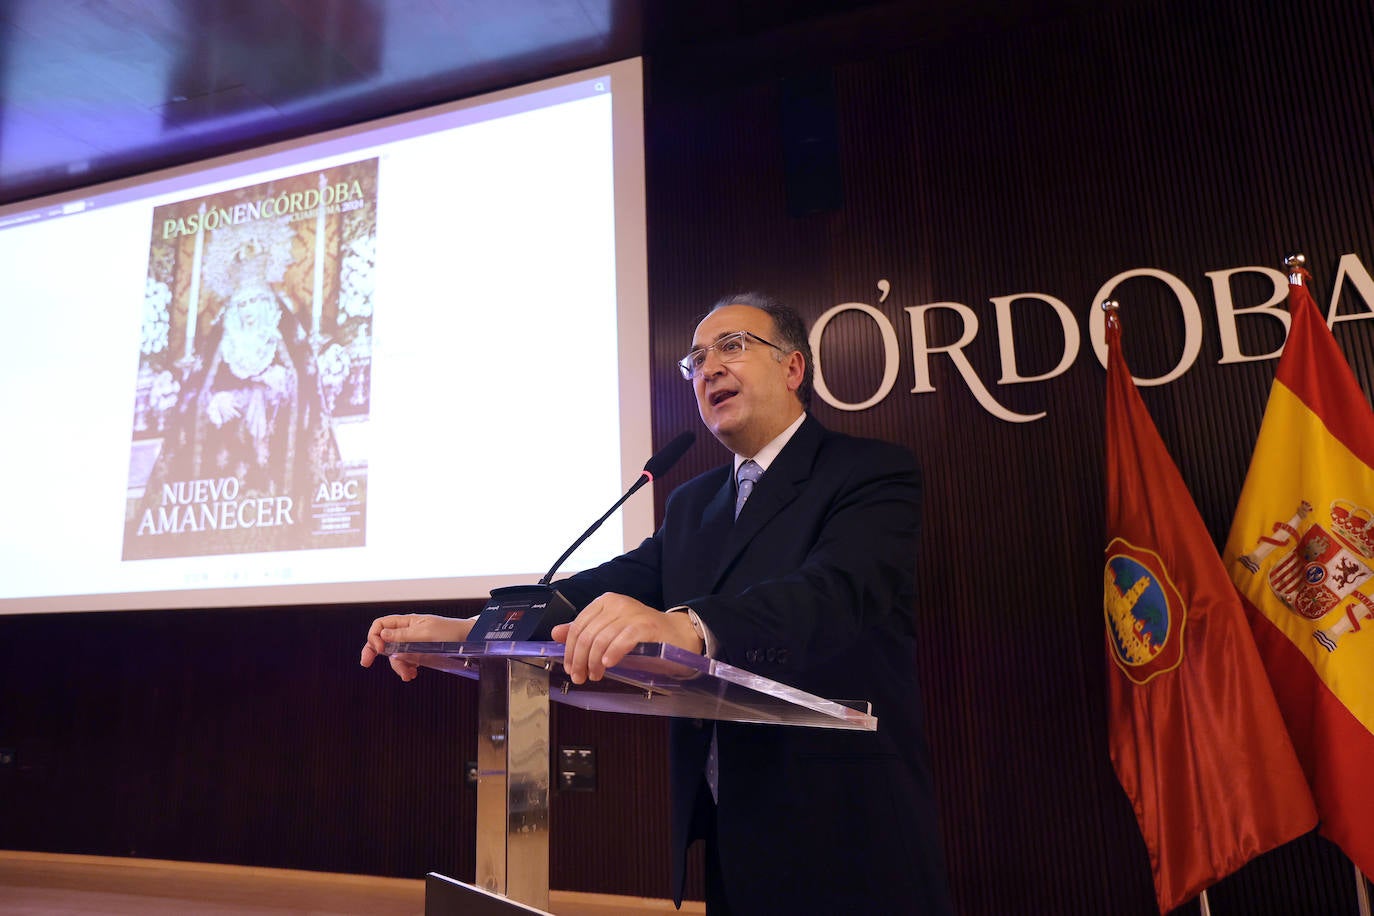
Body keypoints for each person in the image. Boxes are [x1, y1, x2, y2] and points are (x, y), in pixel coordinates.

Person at [361, 293, 952, 915]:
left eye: (732, 347)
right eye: (696, 360)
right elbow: (599, 587)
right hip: (730, 821)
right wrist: (470, 630)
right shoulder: (695, 502)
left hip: (844, 819)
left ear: (793, 368)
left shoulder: (869, 471)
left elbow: (832, 594)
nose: (709, 368)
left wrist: (688, 626)